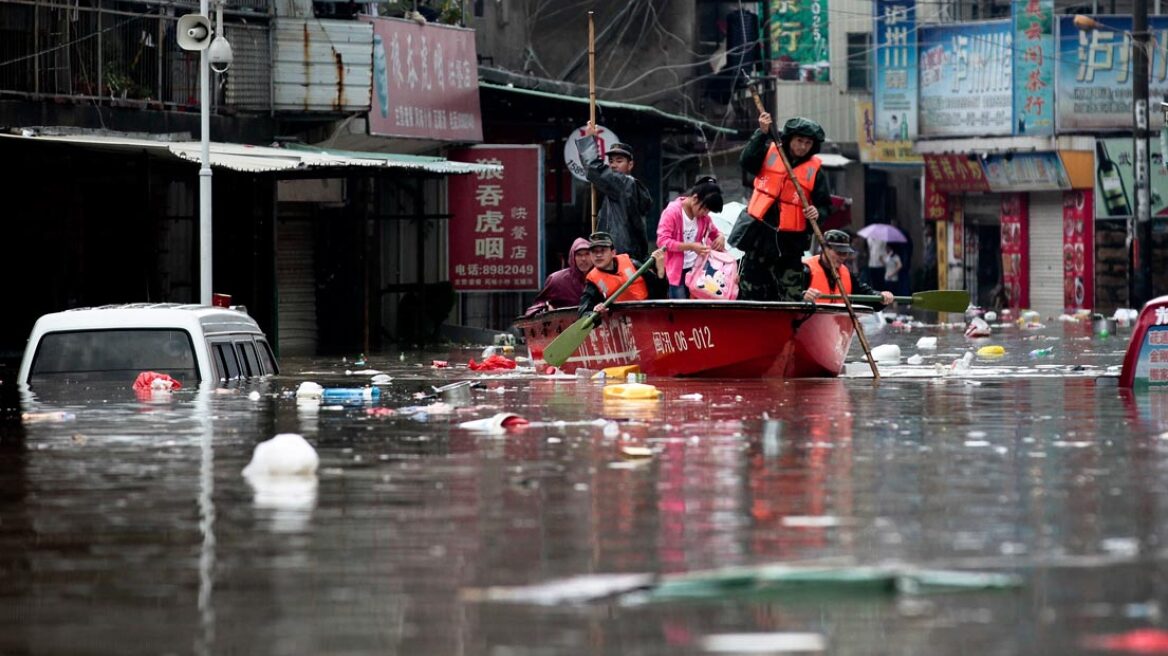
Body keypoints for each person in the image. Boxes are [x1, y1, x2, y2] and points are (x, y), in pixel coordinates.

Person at [733, 113, 833, 301]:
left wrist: (817, 213)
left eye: (808, 143)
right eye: (799, 141)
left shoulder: (816, 171)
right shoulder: (769, 152)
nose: (803, 147)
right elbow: (746, 161)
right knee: (752, 291)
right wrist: (761, 133)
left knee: (791, 295)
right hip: (760, 235)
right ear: (790, 139)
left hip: (790, 243)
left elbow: (825, 206)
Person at [576, 123, 652, 261]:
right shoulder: (628, 186)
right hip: (628, 254)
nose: (613, 165)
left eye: (619, 161)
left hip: (618, 254)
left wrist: (588, 140)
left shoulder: (624, 183)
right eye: (611, 161)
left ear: (630, 165)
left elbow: (593, 168)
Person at [656, 176, 727, 299]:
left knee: (698, 306)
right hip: (677, 272)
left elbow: (715, 232)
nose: (705, 213)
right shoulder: (672, 212)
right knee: (681, 307)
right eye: (704, 209)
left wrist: (721, 237)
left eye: (708, 211)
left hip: (697, 270)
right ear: (694, 198)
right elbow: (662, 242)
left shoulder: (704, 218)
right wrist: (691, 246)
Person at [578, 231, 665, 317]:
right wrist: (594, 312)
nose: (598, 255)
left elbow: (660, 291)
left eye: (603, 250)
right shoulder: (592, 282)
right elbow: (583, 312)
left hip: (647, 314)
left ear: (613, 253)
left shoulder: (632, 264)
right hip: (622, 319)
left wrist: (661, 271)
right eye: (594, 252)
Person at [801, 230, 894, 308]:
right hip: (810, 321)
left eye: (845, 253)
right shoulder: (805, 270)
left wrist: (881, 297)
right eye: (839, 252)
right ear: (824, 249)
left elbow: (865, 294)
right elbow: (793, 296)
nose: (842, 257)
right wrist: (803, 297)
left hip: (837, 323)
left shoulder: (847, 274)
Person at [524, 237, 592, 315]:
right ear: (572, 257)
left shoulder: (599, 278)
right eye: (579, 255)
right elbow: (538, 305)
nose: (583, 259)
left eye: (587, 254)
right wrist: (546, 308)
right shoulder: (557, 280)